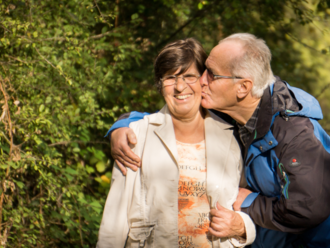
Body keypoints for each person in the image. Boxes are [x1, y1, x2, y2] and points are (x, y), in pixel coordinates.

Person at [109, 33, 330, 248]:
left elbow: (306, 209)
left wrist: (249, 203)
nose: (201, 81)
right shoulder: (234, 109)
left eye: (212, 74)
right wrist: (123, 124)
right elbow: (172, 115)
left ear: (243, 87)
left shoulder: (295, 134)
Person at [97, 38, 256, 248]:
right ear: (160, 83)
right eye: (171, 78)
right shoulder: (136, 135)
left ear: (204, 80)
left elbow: (247, 202)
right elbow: (114, 223)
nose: (180, 87)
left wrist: (243, 226)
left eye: (189, 76)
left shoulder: (232, 136)